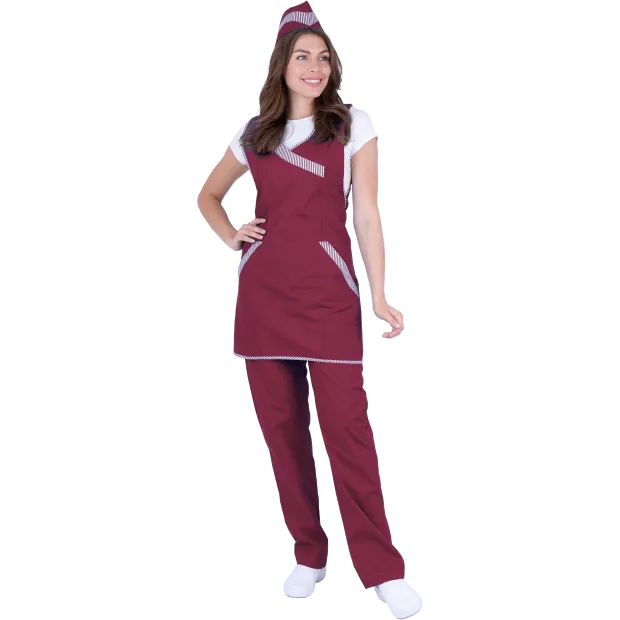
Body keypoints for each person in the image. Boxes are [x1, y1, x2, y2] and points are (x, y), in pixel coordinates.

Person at [197, 2, 421, 618]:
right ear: (282, 63)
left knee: (348, 435)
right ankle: (308, 554)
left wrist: (380, 292)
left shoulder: (352, 125)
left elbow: (367, 213)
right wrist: (231, 232)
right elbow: (209, 194)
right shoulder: (255, 132)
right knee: (284, 433)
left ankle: (383, 571)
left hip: (328, 298)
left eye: (323, 58)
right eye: (302, 56)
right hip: (263, 299)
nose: (315, 67)